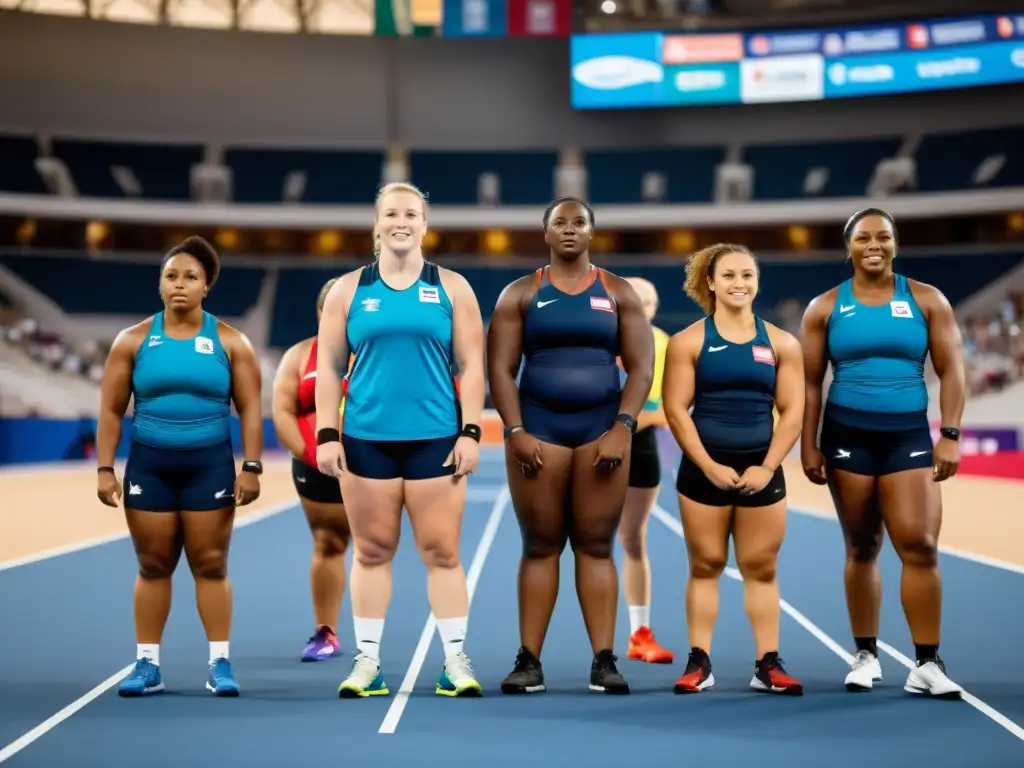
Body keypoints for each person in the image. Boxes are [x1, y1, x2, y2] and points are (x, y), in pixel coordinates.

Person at [315, 182, 486, 699]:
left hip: (436, 438)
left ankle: (455, 660)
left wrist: (471, 430)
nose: (401, 221)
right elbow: (327, 367)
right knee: (371, 551)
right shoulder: (348, 291)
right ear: (377, 224)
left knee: (442, 551)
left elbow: (473, 364)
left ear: (425, 225)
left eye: (411, 213)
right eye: (391, 213)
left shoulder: (453, 287)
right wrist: (327, 434)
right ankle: (368, 663)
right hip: (367, 439)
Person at [487, 197, 654, 696]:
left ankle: (604, 661)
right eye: (559, 222)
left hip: (601, 432)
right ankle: (529, 661)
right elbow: (500, 369)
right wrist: (515, 431)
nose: (568, 229)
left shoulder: (618, 291)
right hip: (539, 430)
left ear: (591, 232)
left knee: (596, 545)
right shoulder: (520, 293)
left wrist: (624, 425)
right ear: (545, 233)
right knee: (540, 546)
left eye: (578, 222)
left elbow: (641, 366)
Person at [800, 208, 964, 699]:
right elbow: (810, 383)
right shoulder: (825, 307)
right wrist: (808, 443)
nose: (875, 244)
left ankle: (927, 663)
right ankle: (866, 654)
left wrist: (950, 433)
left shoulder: (927, 300)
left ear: (896, 243)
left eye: (884, 237)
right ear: (848, 246)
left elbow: (953, 369)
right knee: (862, 545)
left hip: (907, 435)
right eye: (864, 237)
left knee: (920, 544)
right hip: (848, 434)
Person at [96, 235, 263, 698]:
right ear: (160, 283)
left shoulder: (231, 342)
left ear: (207, 285)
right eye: (171, 276)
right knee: (153, 565)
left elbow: (250, 408)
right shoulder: (132, 341)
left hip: (208, 466)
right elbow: (111, 410)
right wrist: (105, 469)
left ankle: (219, 663)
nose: (180, 285)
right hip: (149, 465)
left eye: (191, 277)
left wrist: (251, 466)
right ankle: (147, 664)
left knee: (210, 564)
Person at [662, 243, 804, 696]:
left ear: (757, 281)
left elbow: (794, 410)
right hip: (703, 472)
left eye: (747, 275)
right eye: (729, 276)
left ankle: (768, 664)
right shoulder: (689, 341)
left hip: (762, 471)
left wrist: (767, 466)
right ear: (711, 282)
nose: (739, 283)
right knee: (705, 564)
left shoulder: (782, 343)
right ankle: (698, 661)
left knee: (761, 567)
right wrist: (708, 465)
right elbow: (676, 410)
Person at [272, 277, 352, 662]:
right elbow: (283, 410)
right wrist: (311, 453)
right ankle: (326, 632)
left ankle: (373, 639)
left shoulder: (377, 354)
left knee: (378, 549)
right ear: (320, 313)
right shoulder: (301, 355)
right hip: (316, 467)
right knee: (328, 543)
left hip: (375, 467)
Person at [618, 276, 674, 665]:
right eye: (635, 297)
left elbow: (672, 407)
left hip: (639, 446)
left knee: (633, 539)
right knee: (586, 542)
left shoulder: (666, 344)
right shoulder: (598, 337)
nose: (643, 304)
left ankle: (640, 633)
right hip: (591, 445)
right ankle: (600, 640)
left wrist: (632, 421)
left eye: (650, 300)